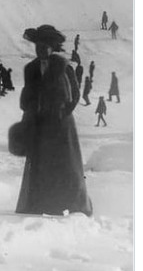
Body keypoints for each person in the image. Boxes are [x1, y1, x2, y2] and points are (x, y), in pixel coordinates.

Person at [15, 25, 92, 217]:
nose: (40, 50)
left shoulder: (63, 65)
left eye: (45, 46)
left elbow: (74, 94)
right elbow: (28, 96)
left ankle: (74, 204)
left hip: (61, 124)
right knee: (41, 164)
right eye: (37, 46)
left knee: (66, 164)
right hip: (40, 124)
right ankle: (41, 204)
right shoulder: (30, 68)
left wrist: (63, 112)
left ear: (52, 47)